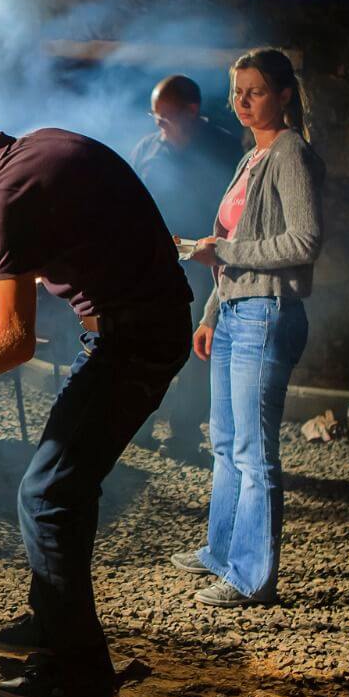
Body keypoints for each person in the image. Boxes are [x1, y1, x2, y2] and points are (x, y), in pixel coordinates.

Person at [0, 122, 193, 697]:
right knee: (61, 486)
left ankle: (80, 676)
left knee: (47, 494)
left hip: (133, 339)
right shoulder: (33, 154)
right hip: (145, 325)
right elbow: (28, 254)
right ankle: (52, 623)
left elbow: (12, 342)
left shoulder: (2, 199)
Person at [175, 47, 324, 608]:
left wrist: (226, 250)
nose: (241, 102)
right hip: (238, 312)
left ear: (283, 95)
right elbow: (231, 253)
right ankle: (221, 553)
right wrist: (212, 312)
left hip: (268, 312)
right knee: (225, 441)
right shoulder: (252, 156)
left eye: (254, 91)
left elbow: (304, 241)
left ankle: (253, 577)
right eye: (237, 91)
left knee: (254, 451)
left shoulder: (290, 153)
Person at [129, 75, 244, 462]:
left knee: (197, 350)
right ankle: (137, 424)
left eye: (166, 116)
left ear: (192, 112)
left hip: (202, 266)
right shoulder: (146, 150)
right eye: (154, 115)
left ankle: (184, 431)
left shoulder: (226, 149)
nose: (158, 123)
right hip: (152, 267)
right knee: (144, 346)